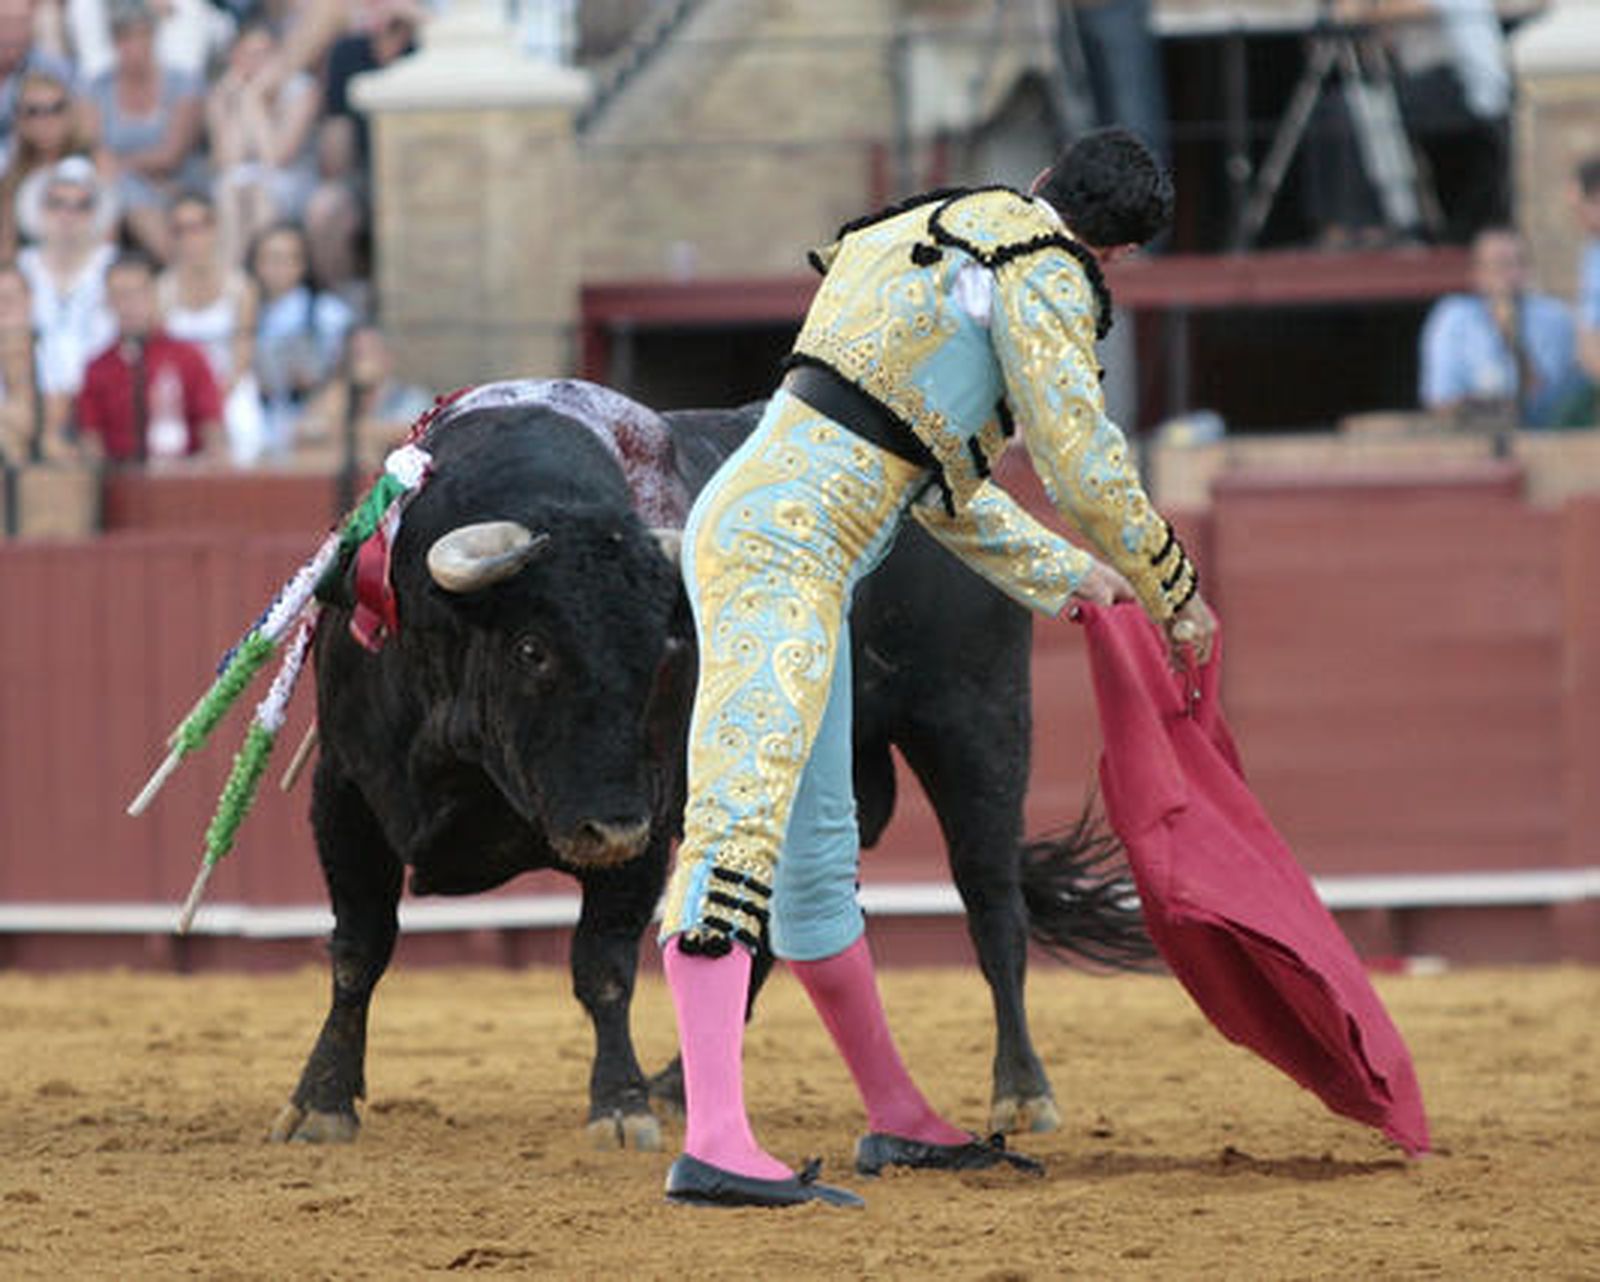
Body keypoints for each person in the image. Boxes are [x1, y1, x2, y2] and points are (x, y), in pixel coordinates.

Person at [657, 127, 1217, 1209]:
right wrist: (1168, 583)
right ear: (1117, 258)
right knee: (738, 826)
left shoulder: (923, 228)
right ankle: (716, 1137)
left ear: (1045, 179)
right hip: (785, 550)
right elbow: (1082, 460)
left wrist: (1069, 576)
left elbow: (927, 485)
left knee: (813, 859)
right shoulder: (1043, 270)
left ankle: (897, 1116)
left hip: (778, 531)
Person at [1418, 226, 1583, 428]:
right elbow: (1440, 400)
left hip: (1546, 433)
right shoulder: (1454, 318)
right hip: (1473, 434)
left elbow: (1550, 399)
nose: (1512, 274)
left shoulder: (1553, 317)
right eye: (1501, 265)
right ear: (1477, 273)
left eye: (1520, 264)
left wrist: (1512, 337)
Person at [83, 0, 205, 261]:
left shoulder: (183, 83)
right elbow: (93, 147)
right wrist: (117, 168)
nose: (134, 46)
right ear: (114, 42)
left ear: (154, 36)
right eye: (125, 38)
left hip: (176, 183)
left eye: (141, 35)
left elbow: (171, 155)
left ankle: (176, 266)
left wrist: (121, 164)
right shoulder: (97, 87)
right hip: (121, 186)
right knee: (118, 191)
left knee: (120, 187)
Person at [76, 248, 222, 463]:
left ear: (154, 294)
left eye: (137, 293)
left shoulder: (189, 356)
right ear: (107, 301)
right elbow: (91, 445)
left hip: (184, 478)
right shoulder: (97, 368)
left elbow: (213, 434)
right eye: (118, 295)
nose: (128, 305)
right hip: (120, 484)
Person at [204, 18, 321, 269]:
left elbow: (275, 158)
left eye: (263, 54)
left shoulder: (301, 90)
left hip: (293, 180)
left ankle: (261, 275)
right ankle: (232, 275)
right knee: (229, 191)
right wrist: (240, 100)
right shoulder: (223, 92)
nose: (256, 62)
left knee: (259, 194)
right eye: (247, 55)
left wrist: (254, 101)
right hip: (241, 182)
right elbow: (227, 161)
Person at [156, 189, 263, 460]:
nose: (190, 239)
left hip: (231, 386)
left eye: (196, 228)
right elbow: (161, 356)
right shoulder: (161, 291)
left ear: (213, 230)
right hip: (179, 390)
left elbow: (243, 354)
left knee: (244, 431)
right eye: (180, 230)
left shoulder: (241, 288)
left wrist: (214, 400)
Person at [17, 155, 115, 420]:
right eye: (56, 204)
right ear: (40, 208)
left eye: (81, 206)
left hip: (101, 403)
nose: (67, 215)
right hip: (30, 405)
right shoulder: (19, 269)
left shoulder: (113, 266)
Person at [247, 218, 353, 455]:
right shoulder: (247, 311)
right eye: (271, 258)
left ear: (302, 264)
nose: (278, 268)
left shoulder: (327, 312)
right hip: (261, 420)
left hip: (310, 419)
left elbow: (343, 370)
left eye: (288, 259)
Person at [291, 321, 430, 471]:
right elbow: (302, 438)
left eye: (369, 353)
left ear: (388, 357)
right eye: (355, 354)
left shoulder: (411, 400)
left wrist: (344, 431)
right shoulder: (334, 396)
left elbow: (408, 436)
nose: (362, 361)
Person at [0, 66, 97, 260]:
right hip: (31, 277)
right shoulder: (11, 179)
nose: (45, 119)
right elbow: (6, 249)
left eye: (55, 108)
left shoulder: (95, 161)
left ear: (70, 114)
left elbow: (105, 235)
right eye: (33, 111)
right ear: (20, 120)